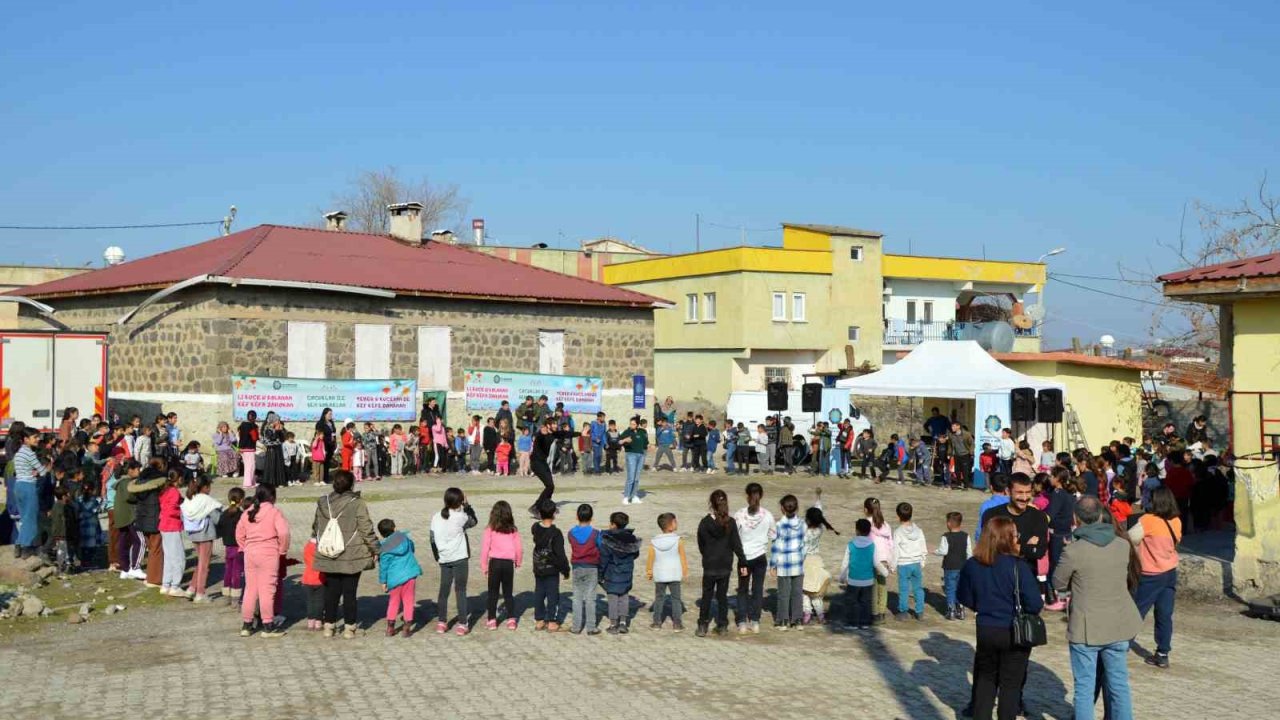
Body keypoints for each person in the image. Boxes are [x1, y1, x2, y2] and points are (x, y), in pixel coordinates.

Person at [1053, 497, 1140, 720]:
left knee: (1084, 688)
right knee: (1119, 686)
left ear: (1076, 519)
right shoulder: (1122, 545)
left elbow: (1058, 583)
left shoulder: (1074, 551)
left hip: (1087, 627)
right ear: (1101, 516)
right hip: (1119, 624)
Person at [957, 516, 1044, 720]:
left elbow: (964, 596)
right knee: (1010, 686)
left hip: (986, 628)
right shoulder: (1018, 566)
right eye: (1015, 535)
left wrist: (983, 606)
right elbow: (1035, 604)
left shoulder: (972, 565)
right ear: (1006, 538)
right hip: (1013, 630)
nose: (1018, 540)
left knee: (985, 682)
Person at [312, 470, 379, 638]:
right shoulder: (357, 503)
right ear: (351, 485)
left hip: (329, 552)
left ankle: (329, 626)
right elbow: (366, 529)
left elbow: (316, 527)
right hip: (352, 554)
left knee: (331, 591)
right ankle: (350, 628)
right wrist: (376, 549)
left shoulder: (323, 502)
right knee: (350, 593)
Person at [1128, 486, 1181, 669]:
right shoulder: (1176, 521)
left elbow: (1131, 538)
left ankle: (1122, 646)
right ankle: (1162, 652)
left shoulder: (1147, 520)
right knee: (1165, 614)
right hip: (1170, 572)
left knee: (1137, 611)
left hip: (1150, 574)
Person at [235, 484, 290, 637]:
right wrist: (282, 550)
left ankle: (247, 624)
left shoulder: (247, 512)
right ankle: (268, 624)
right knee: (267, 590)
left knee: (250, 589)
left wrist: (244, 547)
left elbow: (239, 533)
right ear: (272, 497)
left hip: (250, 553)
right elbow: (284, 533)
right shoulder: (274, 512)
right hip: (269, 553)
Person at [696, 489, 746, 637]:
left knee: (707, 595)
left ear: (711, 503)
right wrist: (743, 562)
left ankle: (703, 624)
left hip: (710, 564)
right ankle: (722, 624)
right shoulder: (730, 522)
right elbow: (737, 544)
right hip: (725, 565)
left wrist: (707, 556)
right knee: (722, 596)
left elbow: (701, 544)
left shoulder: (705, 523)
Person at [429, 487, 477, 635]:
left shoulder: (436, 516)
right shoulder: (461, 517)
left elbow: (432, 539)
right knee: (460, 590)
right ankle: (463, 623)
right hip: (459, 557)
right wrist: (468, 506)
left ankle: (442, 622)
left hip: (444, 558)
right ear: (460, 502)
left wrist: (438, 556)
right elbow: (474, 521)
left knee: (444, 591)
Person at [734, 482, 776, 634]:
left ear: (747, 496)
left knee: (742, 590)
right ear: (761, 496)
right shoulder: (768, 516)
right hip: (760, 558)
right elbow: (773, 536)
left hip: (744, 559)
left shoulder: (739, 515)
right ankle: (755, 621)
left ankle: (742, 622)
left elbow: (735, 537)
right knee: (757, 590)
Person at [839, 518, 891, 630]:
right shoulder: (872, 545)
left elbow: (845, 563)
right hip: (868, 581)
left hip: (853, 580)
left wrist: (842, 577)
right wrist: (885, 572)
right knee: (865, 602)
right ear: (869, 531)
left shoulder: (850, 545)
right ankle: (865, 623)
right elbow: (876, 563)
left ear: (856, 531)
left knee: (852, 602)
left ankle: (852, 623)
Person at [481, 500, 523, 630]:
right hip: (508, 564)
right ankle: (511, 619)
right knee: (508, 593)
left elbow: (485, 548)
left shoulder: (490, 529)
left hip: (495, 563)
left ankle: (492, 619)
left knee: (492, 593)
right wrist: (518, 561)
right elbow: (519, 548)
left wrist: (484, 565)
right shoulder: (513, 530)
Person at [377, 518, 422, 637]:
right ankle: (407, 627)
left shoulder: (384, 548)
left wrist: (383, 581)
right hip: (409, 574)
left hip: (394, 579)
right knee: (408, 601)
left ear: (381, 534)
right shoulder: (404, 538)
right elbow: (412, 548)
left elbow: (383, 567)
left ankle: (390, 627)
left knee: (393, 602)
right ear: (394, 528)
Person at [530, 499, 570, 631]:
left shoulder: (535, 528)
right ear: (554, 514)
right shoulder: (556, 533)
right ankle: (552, 621)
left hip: (538, 566)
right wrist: (565, 569)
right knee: (552, 594)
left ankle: (539, 620)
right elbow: (560, 554)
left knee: (539, 592)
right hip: (552, 568)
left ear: (540, 514)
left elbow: (535, 531)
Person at [598, 511, 641, 634]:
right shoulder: (631, 539)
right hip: (626, 573)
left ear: (613, 524)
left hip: (612, 574)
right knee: (624, 597)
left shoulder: (608, 540)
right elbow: (635, 554)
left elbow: (603, 559)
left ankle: (613, 624)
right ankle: (623, 623)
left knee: (613, 599)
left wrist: (600, 574)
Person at [181, 476, 222, 603]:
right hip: (205, 534)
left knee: (201, 562)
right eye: (209, 486)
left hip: (193, 534)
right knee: (204, 565)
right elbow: (217, 518)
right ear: (205, 487)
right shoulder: (206, 500)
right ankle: (200, 593)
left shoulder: (189, 499)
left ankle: (191, 588)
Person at [770, 494, 807, 630]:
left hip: (784, 564)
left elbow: (776, 547)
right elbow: (805, 544)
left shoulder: (779, 525)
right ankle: (798, 620)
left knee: (783, 594)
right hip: (797, 562)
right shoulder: (803, 524)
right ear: (796, 508)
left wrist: (773, 565)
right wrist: (801, 557)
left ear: (782, 509)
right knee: (797, 593)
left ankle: (783, 620)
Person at [647, 512, 688, 631]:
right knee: (676, 599)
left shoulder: (654, 542)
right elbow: (682, 557)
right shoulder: (678, 540)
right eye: (675, 521)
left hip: (660, 574)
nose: (677, 523)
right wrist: (684, 571)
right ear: (671, 525)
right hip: (674, 573)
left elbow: (650, 558)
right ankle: (677, 624)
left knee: (659, 598)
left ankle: (656, 622)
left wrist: (649, 572)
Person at [802, 490, 838, 625]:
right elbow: (818, 511)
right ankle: (820, 614)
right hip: (817, 560)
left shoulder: (804, 532)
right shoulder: (821, 528)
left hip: (806, 562)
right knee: (816, 591)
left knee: (804, 590)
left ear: (808, 519)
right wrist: (818, 498)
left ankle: (806, 613)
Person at [11, 428, 46, 559]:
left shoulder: (18, 453)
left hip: (18, 486)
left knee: (25, 518)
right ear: (26, 439)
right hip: (28, 486)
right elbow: (42, 471)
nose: (38, 439)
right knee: (30, 518)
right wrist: (43, 469)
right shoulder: (29, 453)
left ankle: (19, 544)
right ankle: (26, 546)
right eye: (35, 437)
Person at [528, 418, 574, 517]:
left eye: (556, 424)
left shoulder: (553, 434)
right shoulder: (541, 435)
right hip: (536, 463)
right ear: (548, 425)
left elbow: (567, 434)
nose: (555, 425)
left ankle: (547, 506)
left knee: (551, 486)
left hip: (543, 462)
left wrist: (581, 434)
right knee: (550, 486)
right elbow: (538, 438)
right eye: (553, 424)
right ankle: (536, 507)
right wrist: (540, 433)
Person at [568, 503, 602, 635]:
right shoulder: (595, 533)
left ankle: (576, 626)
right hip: (591, 567)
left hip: (577, 566)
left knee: (577, 597)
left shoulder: (571, 533)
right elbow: (599, 546)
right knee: (590, 598)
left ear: (577, 517)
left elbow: (572, 543)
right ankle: (591, 627)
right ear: (591, 518)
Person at [936, 511, 973, 620]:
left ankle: (951, 610)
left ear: (948, 523)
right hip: (962, 567)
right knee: (960, 589)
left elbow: (943, 551)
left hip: (950, 567)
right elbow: (969, 553)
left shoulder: (946, 536)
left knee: (950, 588)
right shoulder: (966, 536)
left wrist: (934, 551)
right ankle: (961, 610)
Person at [893, 502, 927, 620]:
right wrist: (922, 560)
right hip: (916, 563)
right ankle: (920, 611)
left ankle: (903, 612)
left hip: (903, 564)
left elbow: (895, 551)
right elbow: (923, 546)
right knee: (918, 588)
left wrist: (892, 566)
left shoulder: (897, 532)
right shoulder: (919, 531)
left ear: (898, 516)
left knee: (904, 589)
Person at [864, 497, 896, 622]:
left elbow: (864, 542)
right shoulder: (886, 525)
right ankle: (882, 612)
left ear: (866, 510)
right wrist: (890, 559)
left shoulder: (866, 524)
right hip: (883, 560)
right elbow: (891, 544)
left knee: (873, 587)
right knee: (882, 585)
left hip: (871, 559)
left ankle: (874, 613)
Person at [216, 487, 246, 605]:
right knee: (237, 572)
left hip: (228, 546)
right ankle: (235, 597)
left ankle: (226, 594)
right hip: (238, 547)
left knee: (228, 571)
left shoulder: (224, 514)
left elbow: (219, 527)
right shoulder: (241, 515)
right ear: (241, 500)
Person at [618, 416, 649, 505]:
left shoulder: (642, 432)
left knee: (637, 477)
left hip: (641, 455)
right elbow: (619, 442)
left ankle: (634, 495)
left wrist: (649, 446)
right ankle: (626, 497)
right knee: (631, 477)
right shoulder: (627, 431)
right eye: (631, 423)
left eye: (633, 424)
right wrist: (624, 440)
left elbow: (645, 443)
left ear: (637, 425)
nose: (631, 425)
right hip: (631, 455)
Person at [315, 409, 337, 485]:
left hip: (331, 445)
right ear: (325, 414)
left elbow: (334, 433)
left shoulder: (331, 423)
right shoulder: (320, 423)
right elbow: (319, 435)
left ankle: (326, 478)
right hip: (324, 445)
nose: (331, 415)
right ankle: (321, 479)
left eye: (331, 414)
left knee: (327, 462)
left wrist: (334, 442)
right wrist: (327, 440)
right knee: (322, 462)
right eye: (329, 414)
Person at [238, 411, 260, 488]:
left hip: (244, 448)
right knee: (249, 466)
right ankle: (247, 484)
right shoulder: (251, 426)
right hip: (248, 448)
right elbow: (254, 438)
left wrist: (240, 447)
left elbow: (241, 436)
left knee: (251, 465)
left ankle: (252, 482)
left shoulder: (242, 425)